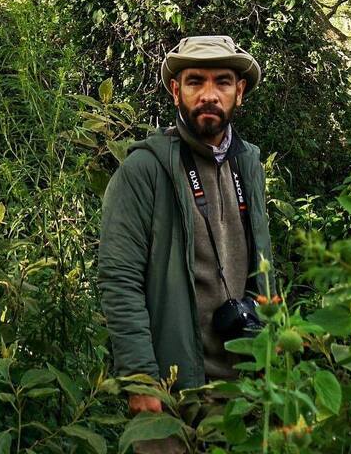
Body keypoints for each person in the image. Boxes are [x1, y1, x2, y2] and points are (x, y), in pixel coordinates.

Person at [98, 35, 274, 453]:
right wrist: (141, 379)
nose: (209, 95)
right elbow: (119, 280)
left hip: (244, 386)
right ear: (176, 90)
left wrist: (274, 361)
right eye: (195, 82)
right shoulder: (144, 170)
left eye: (223, 82)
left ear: (240, 91)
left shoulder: (248, 164)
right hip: (171, 389)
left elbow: (265, 268)